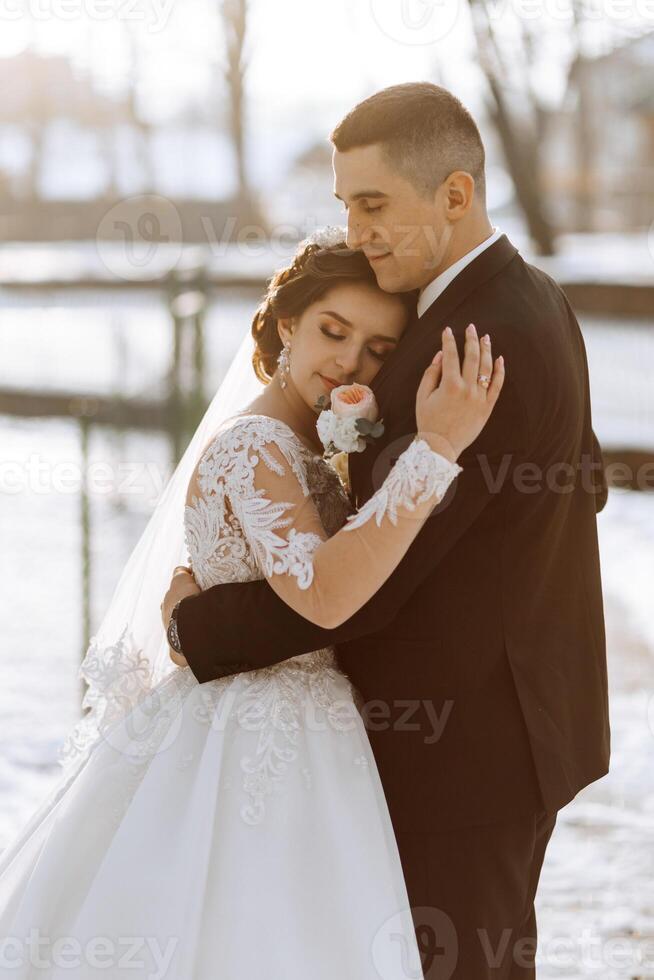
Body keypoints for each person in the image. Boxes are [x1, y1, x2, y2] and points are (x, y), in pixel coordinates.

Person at [169, 83, 610, 979]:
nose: (358, 229)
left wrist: (196, 625)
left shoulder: (474, 342)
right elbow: (587, 485)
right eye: (345, 205)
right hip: (510, 726)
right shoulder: (530, 296)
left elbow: (368, 591)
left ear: (455, 194)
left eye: (374, 205)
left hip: (464, 750)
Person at [0, 230, 503, 980]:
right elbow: (324, 594)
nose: (350, 363)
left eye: (377, 349)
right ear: (286, 324)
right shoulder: (254, 446)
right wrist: (434, 453)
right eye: (334, 332)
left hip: (303, 718)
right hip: (250, 726)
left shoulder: (301, 444)